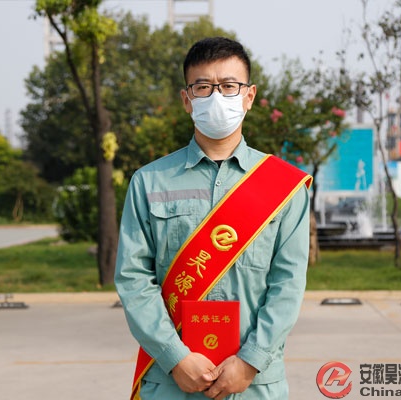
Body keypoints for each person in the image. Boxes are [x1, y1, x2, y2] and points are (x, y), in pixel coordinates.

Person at [114, 36, 311, 400]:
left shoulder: (285, 186)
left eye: (229, 86)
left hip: (256, 383)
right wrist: (175, 357)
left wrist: (250, 361)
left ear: (249, 96)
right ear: (186, 99)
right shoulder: (150, 181)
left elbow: (288, 283)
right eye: (203, 87)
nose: (217, 97)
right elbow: (132, 278)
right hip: (171, 381)